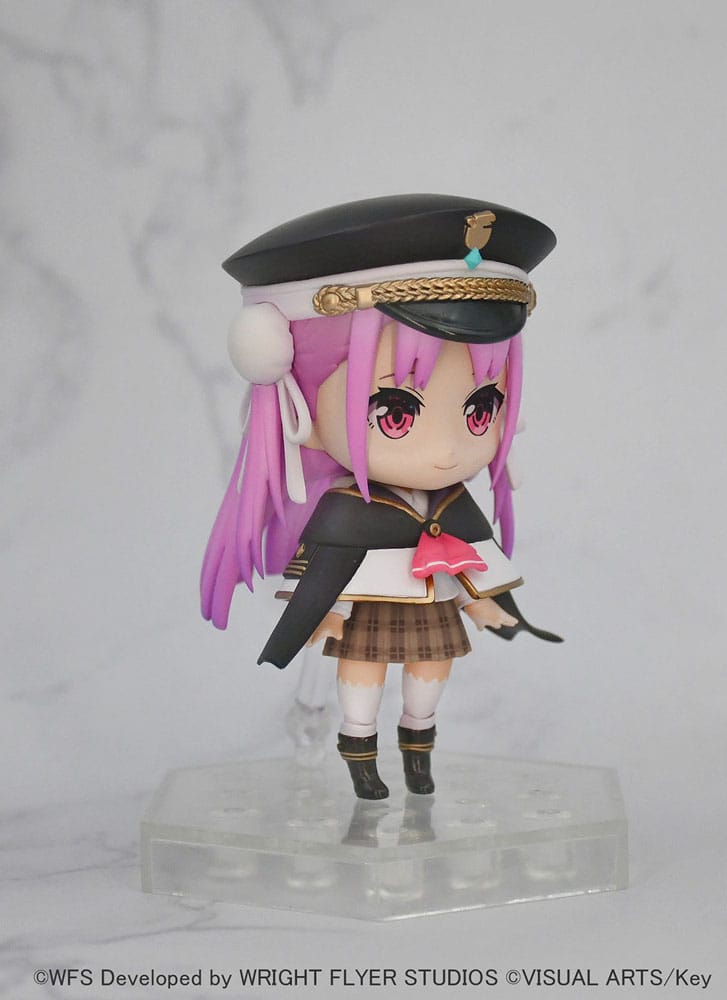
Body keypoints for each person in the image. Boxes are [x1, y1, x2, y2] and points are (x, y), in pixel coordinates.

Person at [201, 194, 560, 799]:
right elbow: (327, 571)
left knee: (429, 680)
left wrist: (485, 607)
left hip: (432, 612)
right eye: (395, 413)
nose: (447, 450)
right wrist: (324, 613)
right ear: (304, 414)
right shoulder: (349, 513)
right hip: (364, 615)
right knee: (360, 684)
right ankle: (361, 757)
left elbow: (473, 553)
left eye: (481, 410)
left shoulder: (453, 505)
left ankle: (418, 752)